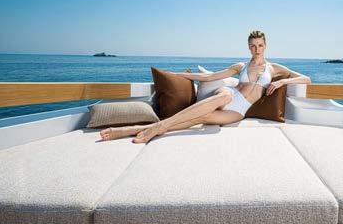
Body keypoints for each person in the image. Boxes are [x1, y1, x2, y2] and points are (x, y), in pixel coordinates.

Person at [100, 30, 311, 143]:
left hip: (240, 111)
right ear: (249, 47)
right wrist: (179, 75)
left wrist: (283, 81)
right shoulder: (241, 66)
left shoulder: (274, 68)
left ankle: (136, 130)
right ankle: (155, 129)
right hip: (230, 94)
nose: (257, 49)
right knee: (224, 96)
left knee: (199, 119)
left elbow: (306, 79)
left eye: (260, 45)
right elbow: (211, 77)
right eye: (253, 46)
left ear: (265, 46)